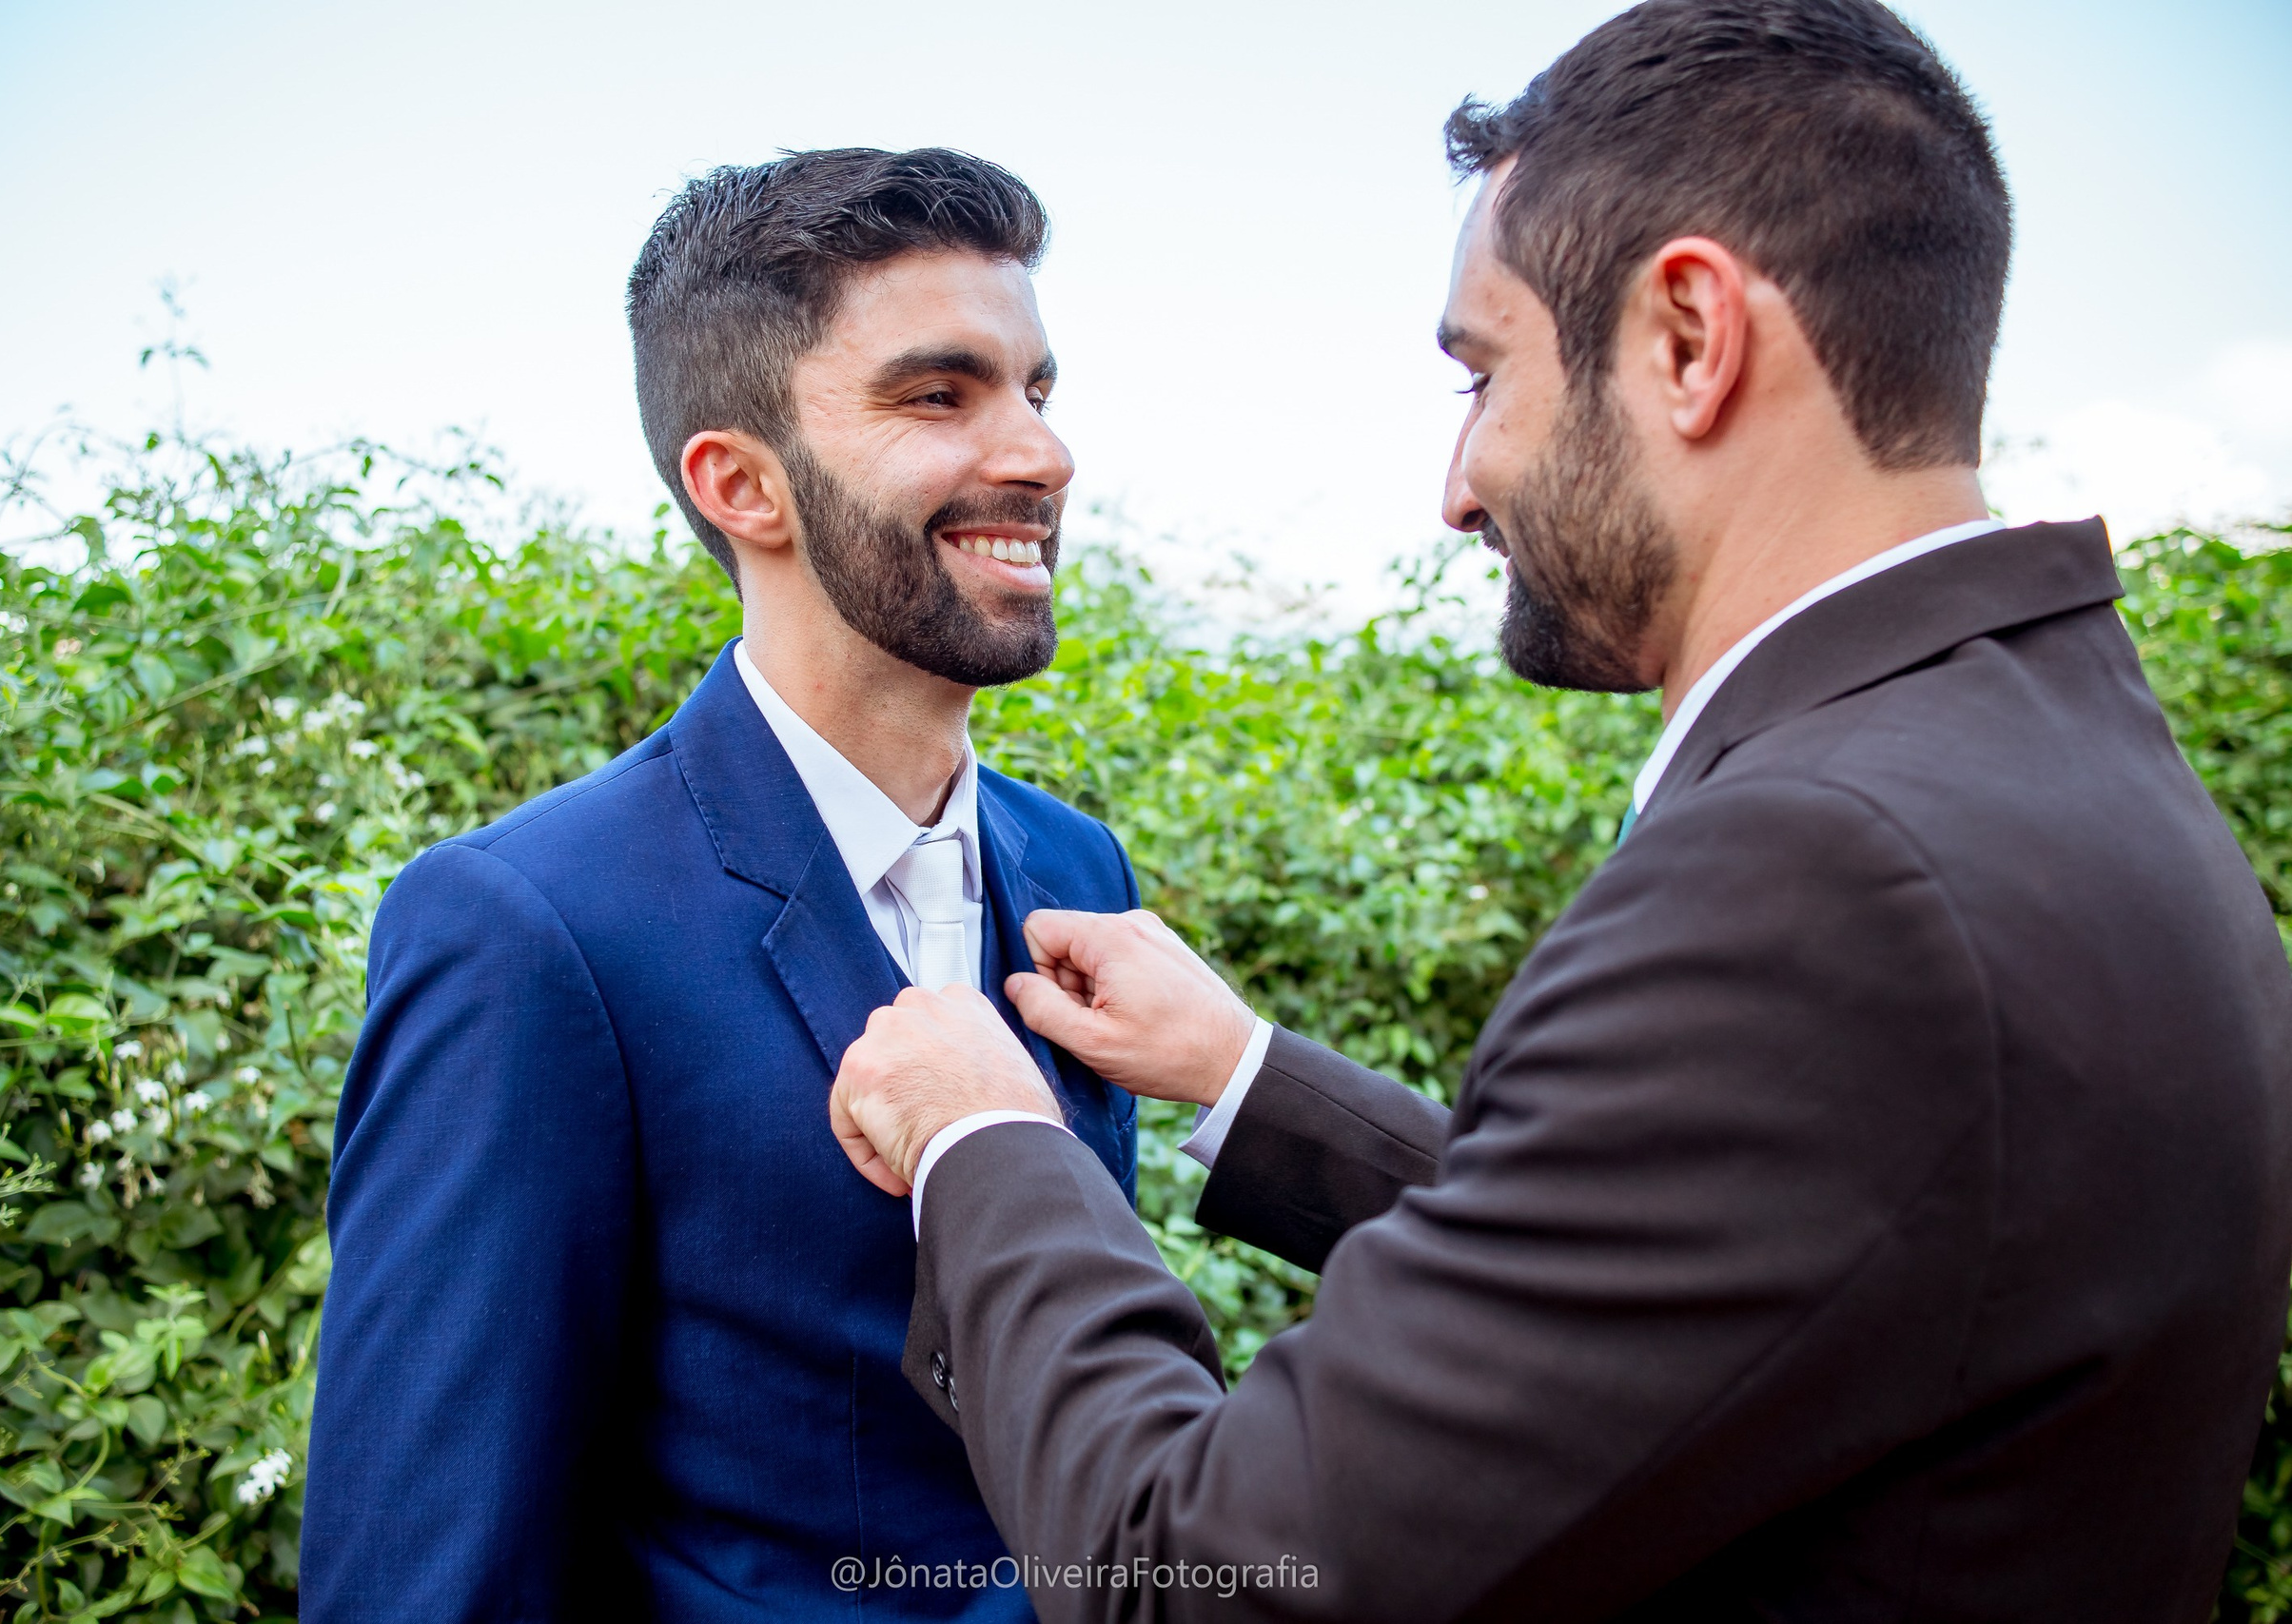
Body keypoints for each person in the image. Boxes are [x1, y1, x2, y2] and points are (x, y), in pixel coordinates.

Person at [824, 4, 2292, 1619]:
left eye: (1483, 373)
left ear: (1687, 336)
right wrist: (1245, 1076)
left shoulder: (1817, 880)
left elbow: (1200, 1575)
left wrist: (988, 1140)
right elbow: (1730, 1283)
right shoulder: (2078, 769)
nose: (1458, 484)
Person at [302, 147, 1140, 1620]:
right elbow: (422, 1575)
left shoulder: (1076, 870)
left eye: (1038, 390)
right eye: (940, 395)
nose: (1041, 453)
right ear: (741, 482)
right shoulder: (526, 930)